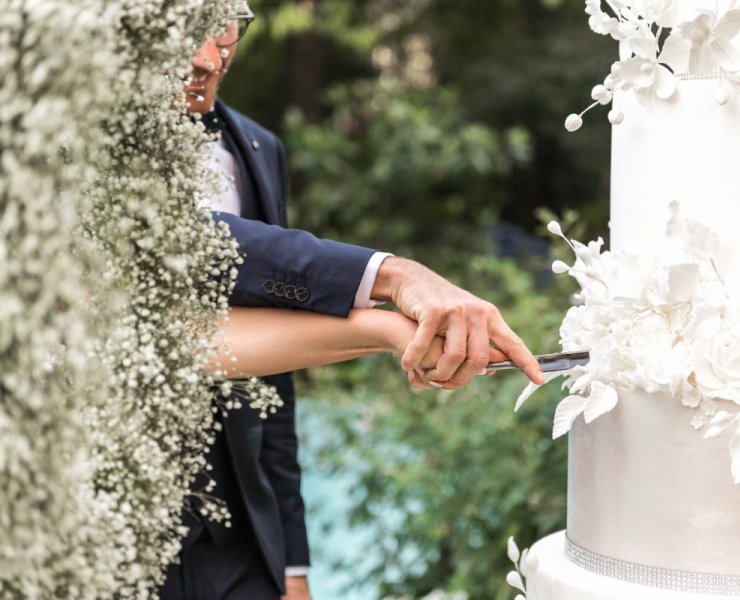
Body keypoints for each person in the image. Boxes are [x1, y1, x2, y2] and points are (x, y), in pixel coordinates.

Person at [159, 9, 543, 600]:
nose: (206, 57)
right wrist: (390, 276)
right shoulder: (66, 144)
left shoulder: (260, 148)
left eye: (225, 25)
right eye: (184, 26)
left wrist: (291, 563)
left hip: (242, 535)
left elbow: (275, 392)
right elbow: (184, 239)